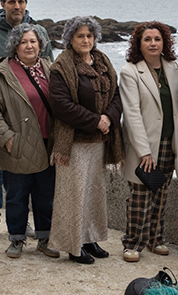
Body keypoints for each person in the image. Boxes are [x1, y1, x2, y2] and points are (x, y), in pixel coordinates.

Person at [0, 0, 54, 243]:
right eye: (12, 2)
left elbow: (50, 70)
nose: (17, 6)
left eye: (21, 1)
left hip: (36, 122)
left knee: (31, 178)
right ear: (2, 4)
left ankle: (22, 223)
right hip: (4, 119)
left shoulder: (39, 30)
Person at [47, 16, 124, 264]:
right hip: (74, 143)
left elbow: (117, 94)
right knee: (73, 195)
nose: (86, 40)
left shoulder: (102, 60)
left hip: (100, 141)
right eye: (80, 36)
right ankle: (73, 246)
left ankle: (89, 238)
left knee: (93, 194)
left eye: (89, 36)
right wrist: (95, 121)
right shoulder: (61, 66)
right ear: (70, 38)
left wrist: (109, 118)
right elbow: (61, 105)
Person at [119, 21, 178, 263]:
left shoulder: (172, 68)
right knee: (139, 195)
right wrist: (144, 152)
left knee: (161, 193)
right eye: (147, 39)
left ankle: (155, 239)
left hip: (169, 143)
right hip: (144, 146)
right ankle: (132, 243)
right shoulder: (130, 72)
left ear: (164, 42)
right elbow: (132, 114)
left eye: (157, 39)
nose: (153, 43)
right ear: (139, 43)